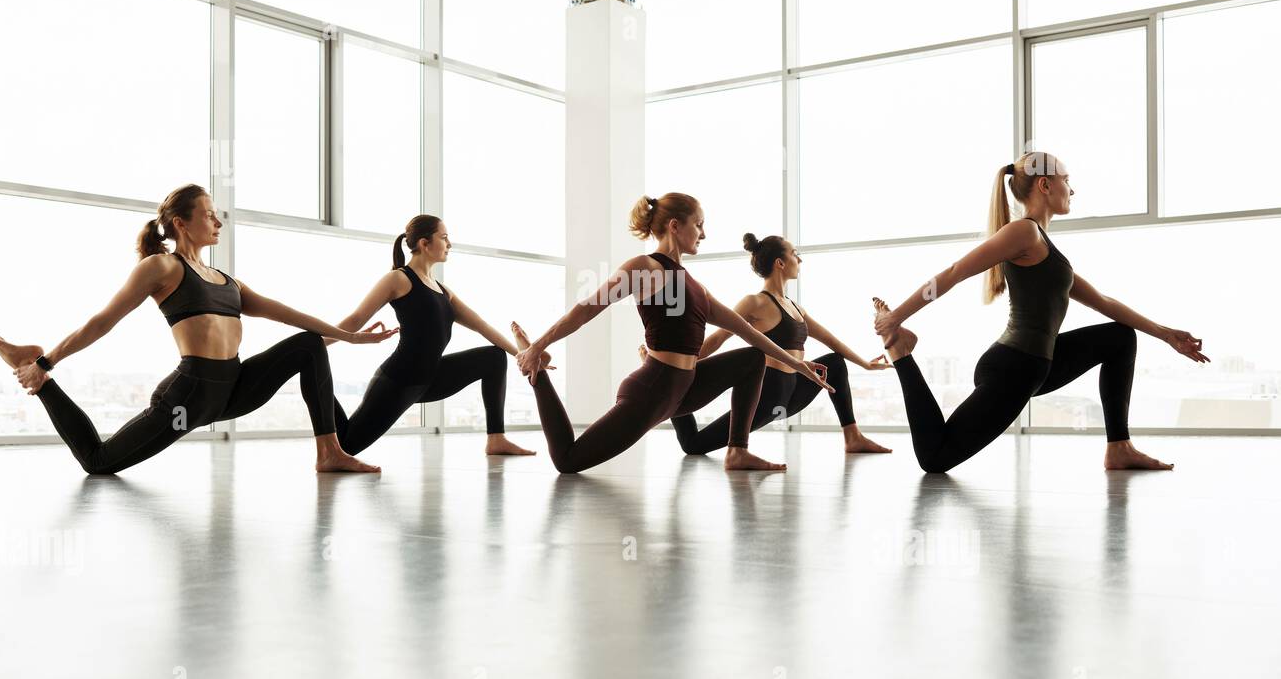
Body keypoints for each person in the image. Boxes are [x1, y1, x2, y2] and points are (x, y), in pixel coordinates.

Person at [0, 184, 394, 475]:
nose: (218, 221)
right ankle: (37, 375)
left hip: (233, 389)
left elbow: (287, 314)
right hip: (189, 397)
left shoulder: (227, 280)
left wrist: (350, 337)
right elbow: (103, 321)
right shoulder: (162, 267)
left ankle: (329, 452)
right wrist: (46, 360)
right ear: (181, 222)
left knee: (307, 345)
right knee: (98, 462)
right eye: (209, 214)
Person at [871, 152, 1209, 473]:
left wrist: (1167, 334)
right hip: (1013, 368)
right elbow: (956, 271)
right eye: (1066, 179)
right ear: (1045, 185)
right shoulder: (1025, 232)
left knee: (1119, 338)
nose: (1072, 189)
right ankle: (901, 351)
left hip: (1037, 366)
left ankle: (1119, 447)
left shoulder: (1045, 247)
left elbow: (1104, 302)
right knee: (935, 458)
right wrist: (896, 317)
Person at [513, 193, 832, 474]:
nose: (704, 234)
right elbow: (586, 308)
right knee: (568, 461)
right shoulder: (645, 267)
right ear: (675, 226)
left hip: (686, 388)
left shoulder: (696, 287)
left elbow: (747, 331)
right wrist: (539, 345)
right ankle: (539, 373)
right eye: (699, 224)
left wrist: (800, 365)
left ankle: (737, 450)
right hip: (653, 390)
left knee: (752, 358)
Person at [327, 215, 541, 457]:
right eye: (444, 237)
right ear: (424, 243)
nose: (449, 244)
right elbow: (356, 319)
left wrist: (525, 355)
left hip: (432, 378)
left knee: (493, 358)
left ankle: (497, 439)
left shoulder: (443, 291)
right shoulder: (398, 279)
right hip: (399, 381)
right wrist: (319, 343)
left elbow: (481, 325)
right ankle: (316, 382)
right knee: (347, 446)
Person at [667, 231, 893, 455]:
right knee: (693, 445)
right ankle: (669, 392)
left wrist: (865, 364)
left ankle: (853, 437)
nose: (800, 259)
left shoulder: (796, 308)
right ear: (780, 263)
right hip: (768, 395)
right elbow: (718, 338)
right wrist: (681, 366)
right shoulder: (753, 303)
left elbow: (830, 340)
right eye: (795, 254)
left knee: (835, 363)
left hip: (794, 392)